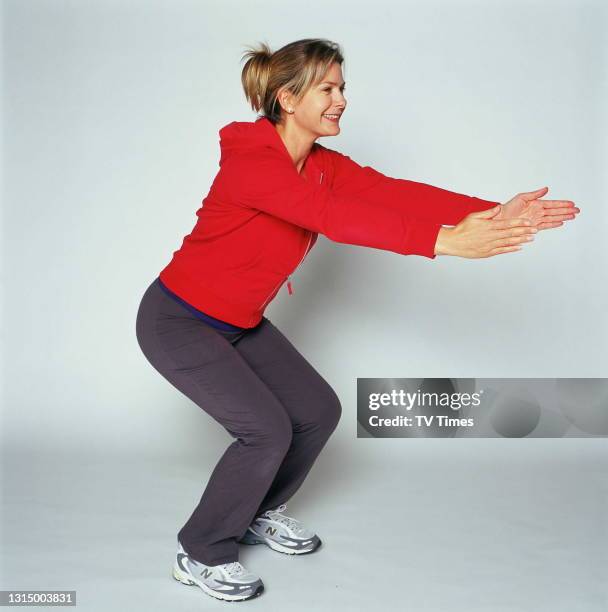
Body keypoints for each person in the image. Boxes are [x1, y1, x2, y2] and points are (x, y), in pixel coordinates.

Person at [135, 38, 579, 603]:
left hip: (238, 323)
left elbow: (393, 194)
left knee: (317, 411)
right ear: (287, 98)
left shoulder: (321, 166)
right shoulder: (252, 158)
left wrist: (488, 212)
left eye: (342, 87)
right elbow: (331, 218)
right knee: (264, 429)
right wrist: (445, 243)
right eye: (328, 88)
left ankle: (257, 510)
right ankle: (201, 551)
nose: (342, 99)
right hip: (179, 320)